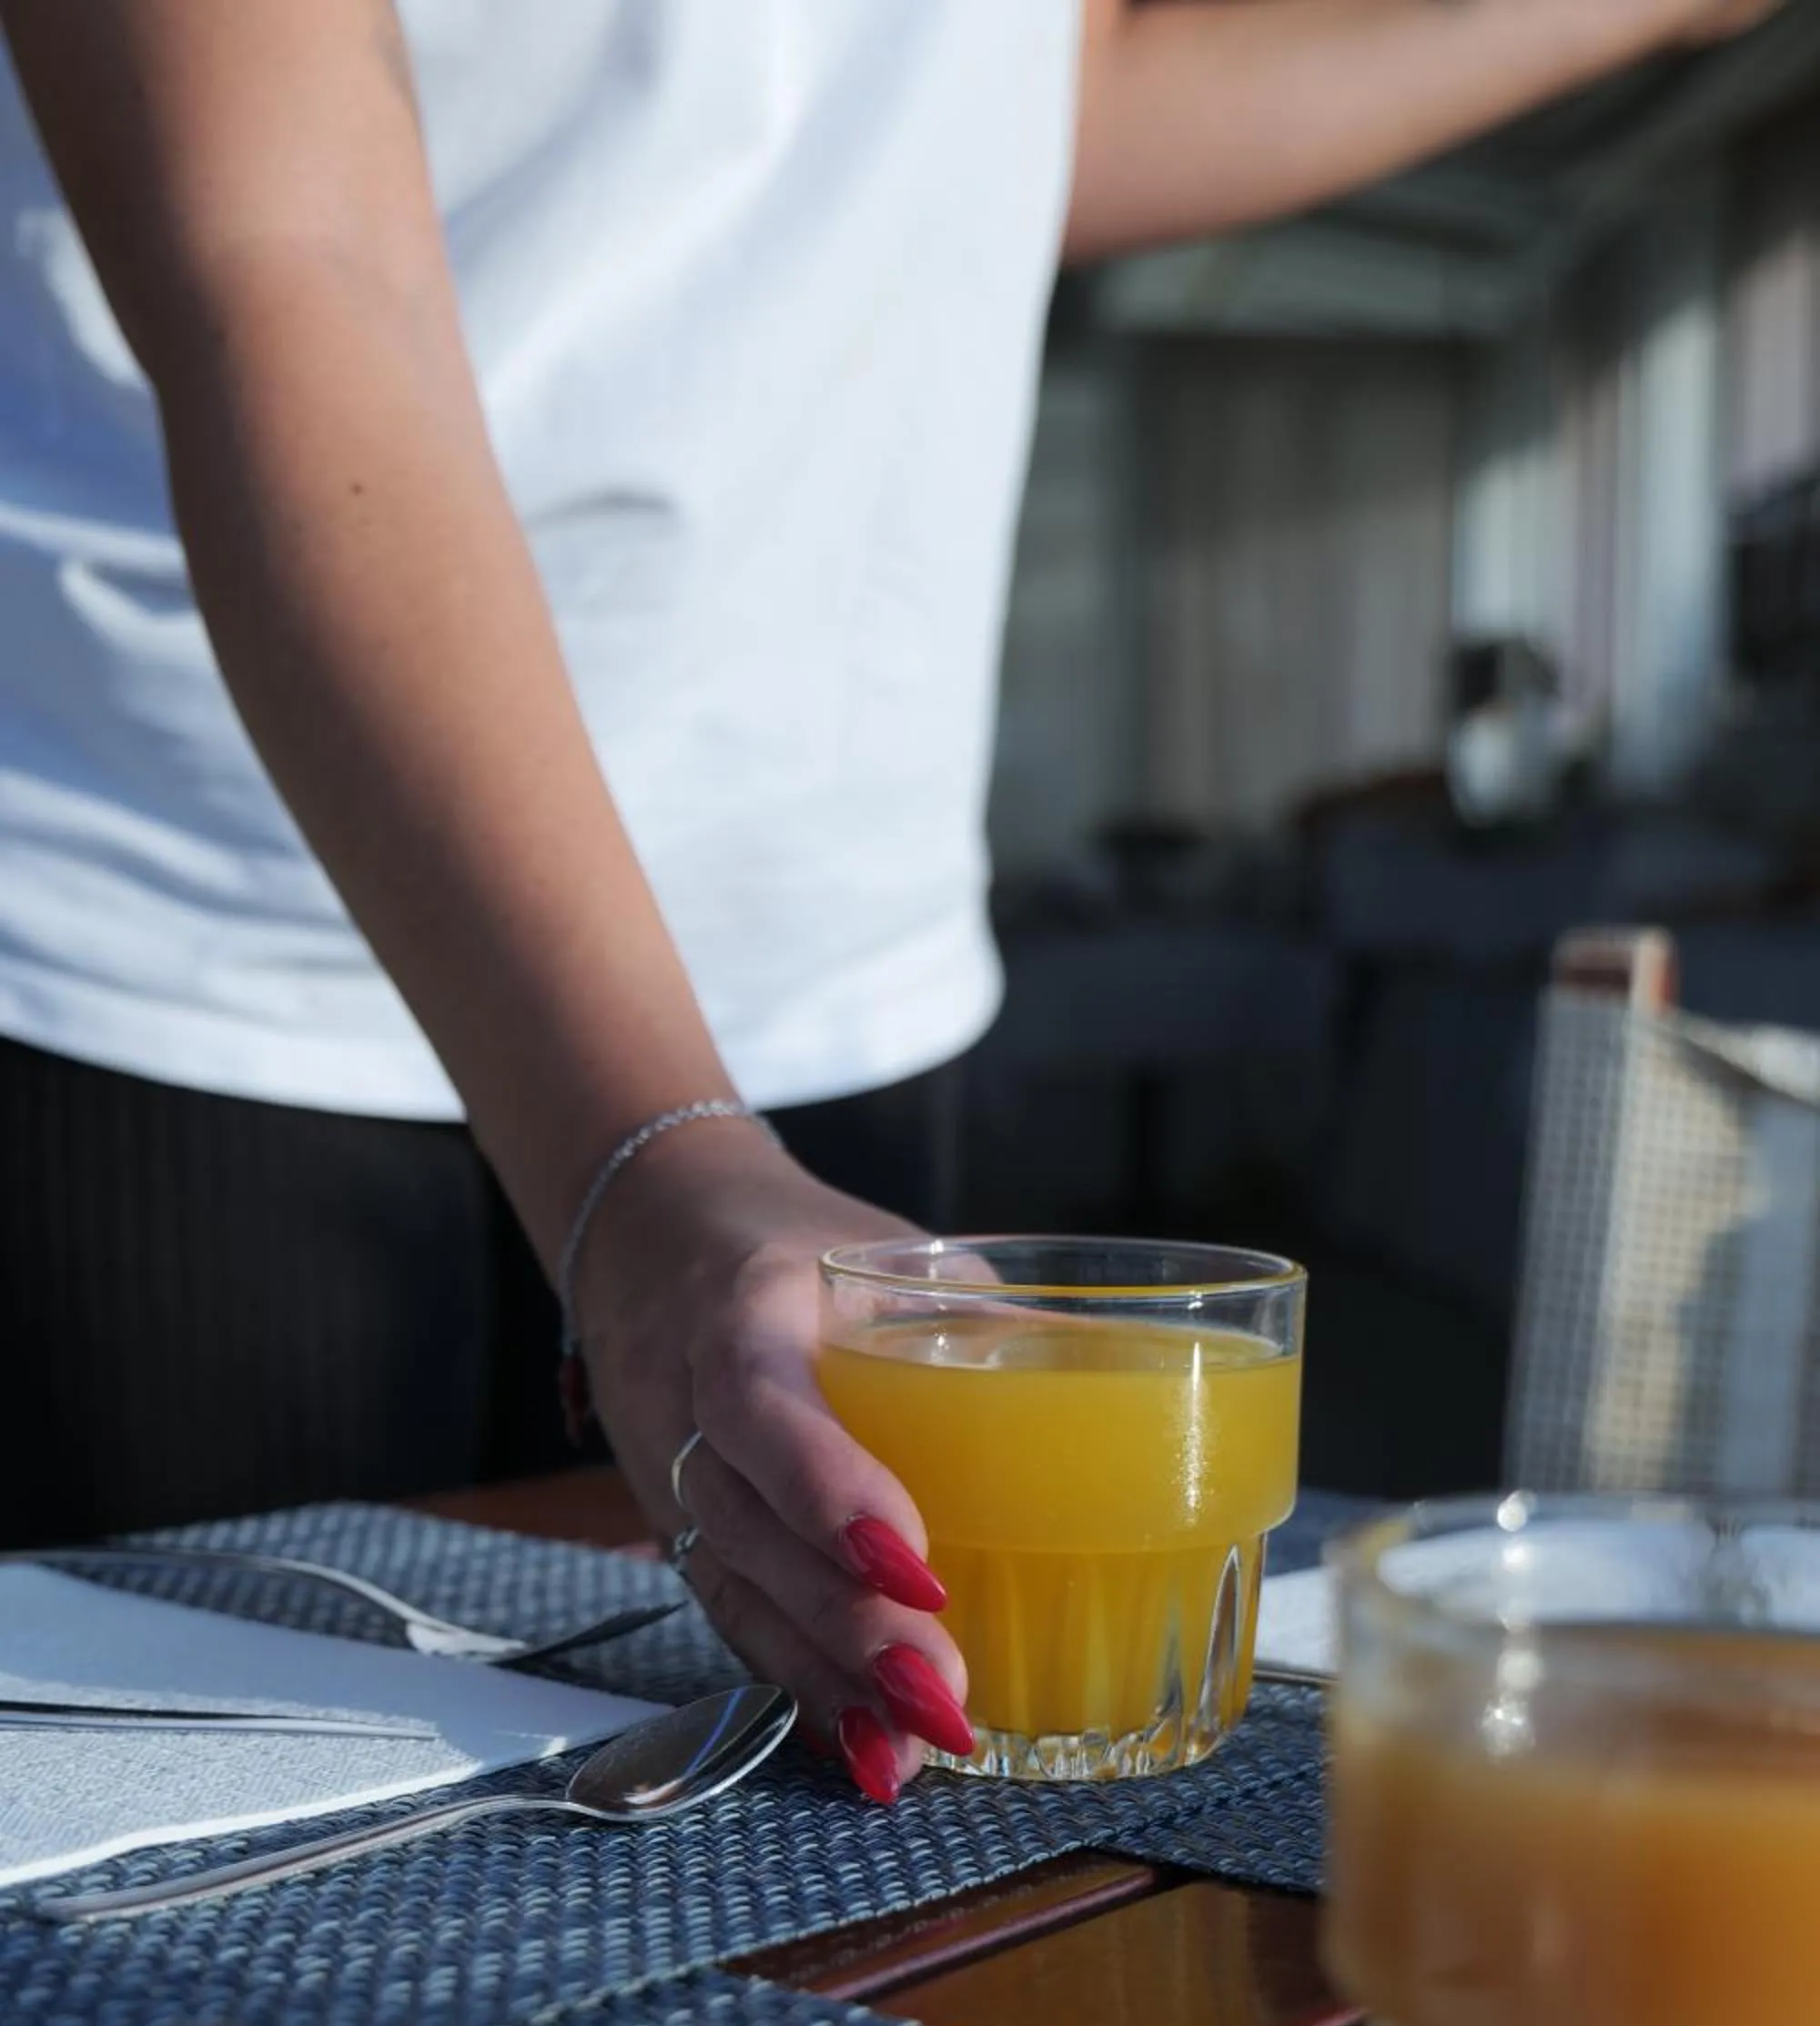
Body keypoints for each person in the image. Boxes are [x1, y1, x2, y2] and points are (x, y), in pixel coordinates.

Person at [0, 0, 1782, 1800]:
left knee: (810, 1914)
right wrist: (655, 1171)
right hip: (205, 942)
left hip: (818, 964)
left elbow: (1047, 102)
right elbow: (287, 249)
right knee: (165, 1937)